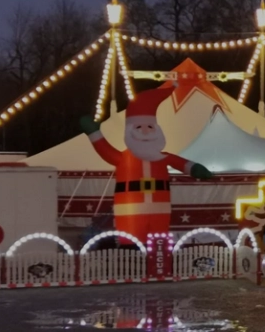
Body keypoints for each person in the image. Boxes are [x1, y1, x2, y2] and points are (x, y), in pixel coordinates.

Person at [80, 87, 212, 243]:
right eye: (138, 127)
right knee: (131, 244)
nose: (145, 132)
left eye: (149, 127)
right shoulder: (124, 158)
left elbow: (180, 163)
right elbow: (106, 152)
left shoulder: (162, 157)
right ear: (129, 131)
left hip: (160, 208)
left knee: (159, 244)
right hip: (130, 209)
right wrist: (94, 133)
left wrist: (195, 168)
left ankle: (158, 264)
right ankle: (131, 261)